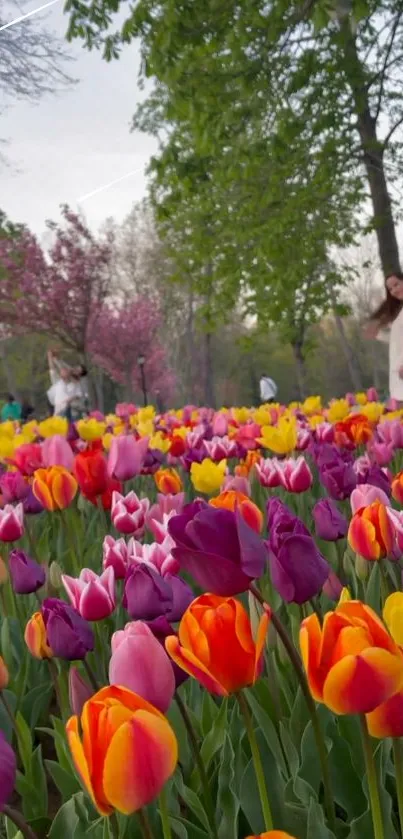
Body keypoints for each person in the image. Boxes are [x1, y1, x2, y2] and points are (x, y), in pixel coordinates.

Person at [365, 272, 403, 404]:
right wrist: (378, 335)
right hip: (398, 371)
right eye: (390, 289)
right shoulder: (400, 311)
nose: (394, 291)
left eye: (396, 285)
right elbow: (398, 340)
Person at [47, 350, 75, 418]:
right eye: (62, 371)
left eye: (65, 371)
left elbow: (70, 370)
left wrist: (57, 360)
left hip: (71, 411)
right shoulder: (57, 382)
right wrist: (50, 357)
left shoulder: (73, 383)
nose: (63, 371)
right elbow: (52, 369)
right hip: (59, 411)